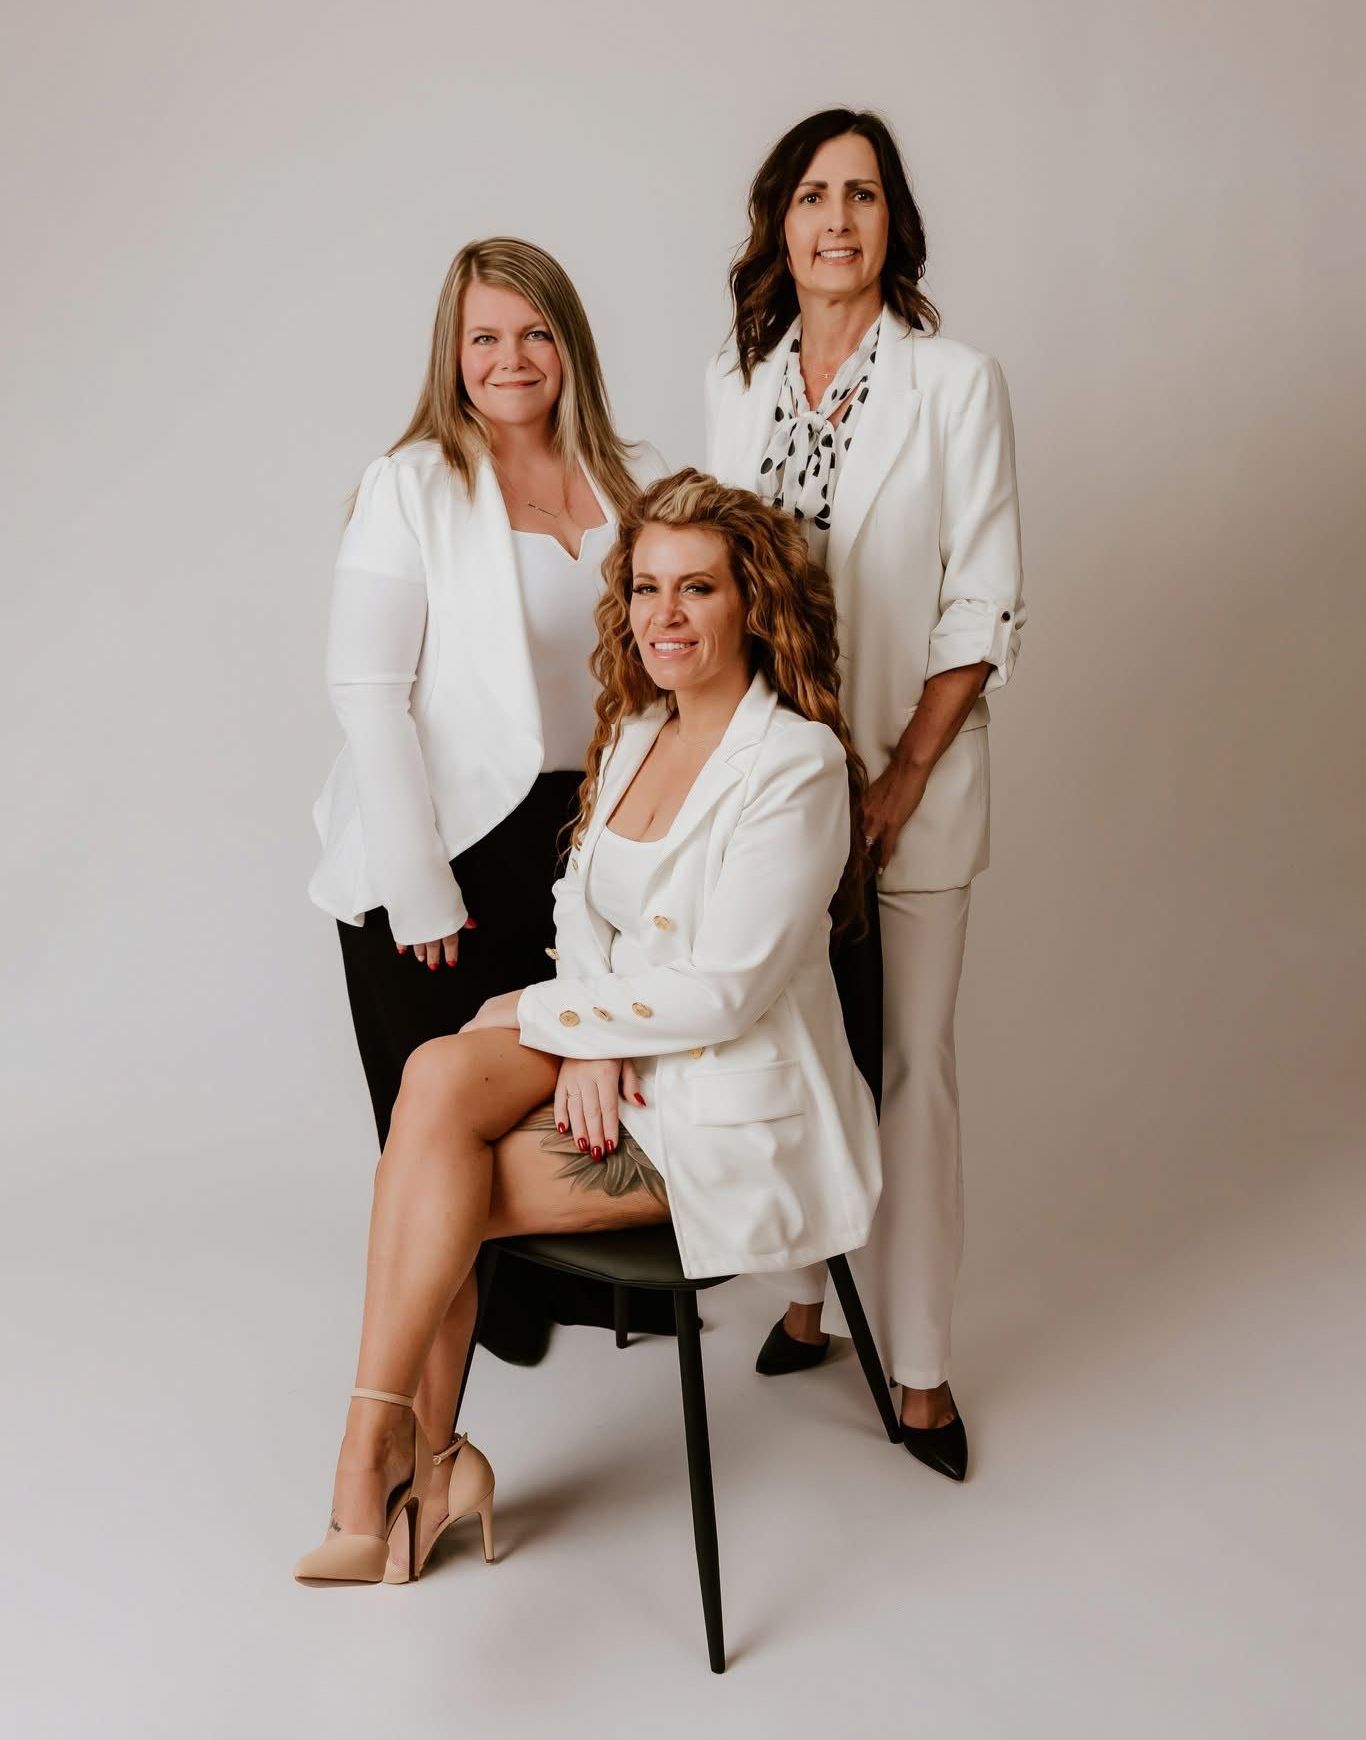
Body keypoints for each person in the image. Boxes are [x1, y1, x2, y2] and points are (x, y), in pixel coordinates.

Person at [294, 470, 881, 1585]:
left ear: (751, 602)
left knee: (432, 1182)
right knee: (434, 1081)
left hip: (729, 1112)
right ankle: (405, 1454)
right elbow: (579, 903)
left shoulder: (794, 767)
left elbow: (724, 992)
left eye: (697, 588)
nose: (665, 615)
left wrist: (551, 1016)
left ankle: (395, 1464)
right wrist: (588, 1039)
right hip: (628, 1054)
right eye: (647, 587)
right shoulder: (635, 733)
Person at [705, 108, 1026, 1480]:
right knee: (792, 1044)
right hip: (775, 793)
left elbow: (982, 601)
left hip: (912, 786)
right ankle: (803, 1294)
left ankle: (922, 1369)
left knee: (908, 1072)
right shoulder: (738, 386)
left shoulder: (954, 382)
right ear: (778, 224)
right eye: (812, 196)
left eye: (863, 195)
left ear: (894, 224)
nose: (836, 219)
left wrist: (899, 775)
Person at [309, 237, 669, 1371]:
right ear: (452, 353)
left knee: (553, 1093)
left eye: (534, 332)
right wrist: (419, 889)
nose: (511, 358)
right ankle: (423, 1404)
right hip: (445, 846)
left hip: (579, 850)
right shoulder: (411, 484)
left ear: (569, 345)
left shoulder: (631, 483)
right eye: (485, 337)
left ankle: (545, 1294)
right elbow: (368, 696)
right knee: (438, 1127)